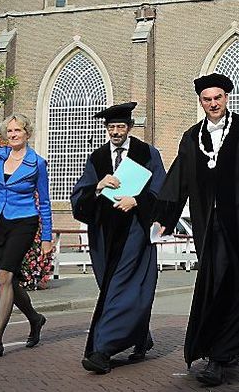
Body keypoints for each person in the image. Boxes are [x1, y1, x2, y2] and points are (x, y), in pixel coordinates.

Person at [153, 73, 239, 387]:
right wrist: (164, 217)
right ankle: (217, 352)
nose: (213, 104)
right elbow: (178, 179)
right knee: (216, 284)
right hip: (207, 226)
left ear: (227, 98)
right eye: (206, 100)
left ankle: (223, 353)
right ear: (201, 102)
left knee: (238, 285)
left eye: (218, 98)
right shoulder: (191, 137)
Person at [70, 102, 167, 374]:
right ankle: (140, 336)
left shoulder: (147, 153)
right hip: (104, 235)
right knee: (111, 288)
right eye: (111, 127)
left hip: (135, 233)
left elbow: (162, 189)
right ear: (106, 129)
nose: (116, 131)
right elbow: (79, 197)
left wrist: (136, 201)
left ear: (129, 127)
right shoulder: (98, 158)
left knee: (122, 289)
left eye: (120, 126)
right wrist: (99, 185)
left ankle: (103, 350)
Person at [0, 113, 53, 360]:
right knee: (8, 280)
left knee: (4, 276)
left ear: (27, 133)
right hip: (0, 222)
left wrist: (46, 238)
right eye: (10, 131)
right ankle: (35, 319)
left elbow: (45, 202)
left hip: (24, 222)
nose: (13, 134)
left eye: (17, 130)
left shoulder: (36, 163)